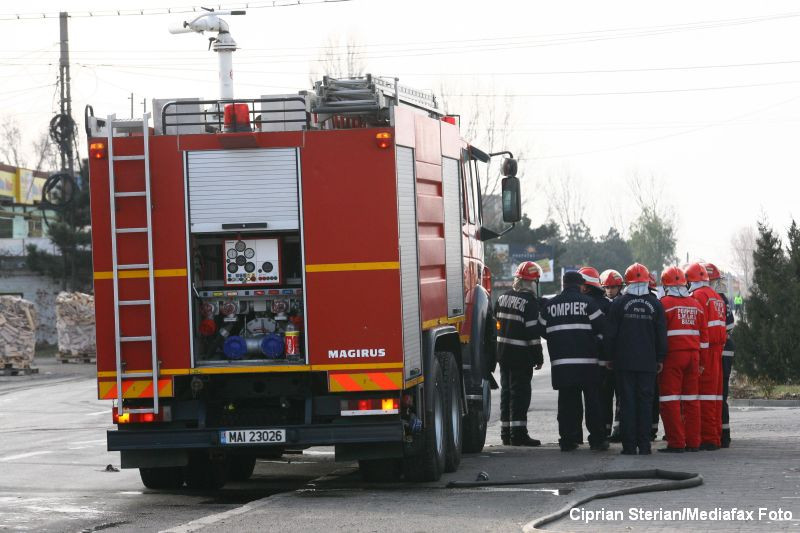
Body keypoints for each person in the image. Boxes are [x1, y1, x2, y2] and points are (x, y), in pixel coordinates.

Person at [540, 270, 608, 452]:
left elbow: (541, 328)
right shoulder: (589, 303)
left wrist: (557, 339)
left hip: (562, 365)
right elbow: (602, 328)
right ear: (581, 286)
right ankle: (597, 440)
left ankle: (568, 440)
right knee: (593, 403)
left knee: (567, 404)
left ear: (563, 284)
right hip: (587, 363)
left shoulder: (550, 305)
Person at [605, 263, 668, 455]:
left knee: (627, 403)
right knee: (645, 403)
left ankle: (629, 446)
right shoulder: (656, 304)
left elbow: (610, 334)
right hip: (648, 363)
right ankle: (645, 445)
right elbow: (661, 335)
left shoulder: (619, 303)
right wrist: (660, 358)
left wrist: (609, 357)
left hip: (624, 362)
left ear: (627, 281)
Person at [657, 266, 707, 453]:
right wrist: (701, 363)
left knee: (670, 400)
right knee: (691, 401)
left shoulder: (664, 304)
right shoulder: (696, 305)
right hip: (693, 357)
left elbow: (660, 334)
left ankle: (676, 443)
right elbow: (704, 338)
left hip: (673, 357)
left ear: (665, 284)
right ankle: (694, 442)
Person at [496, 261, 544, 446]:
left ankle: (506, 433)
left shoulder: (502, 298)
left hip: (503, 355)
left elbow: (496, 326)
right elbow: (533, 335)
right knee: (520, 395)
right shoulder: (530, 303)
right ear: (532, 282)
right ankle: (519, 434)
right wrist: (538, 358)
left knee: (506, 393)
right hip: (520, 356)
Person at [685, 262, 727, 451]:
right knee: (716, 396)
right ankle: (715, 435)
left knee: (705, 395)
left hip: (707, 350)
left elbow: (698, 326)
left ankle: (708, 438)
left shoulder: (698, 296)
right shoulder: (716, 297)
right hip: (717, 350)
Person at [705, 263, 736, 448]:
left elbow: (727, 327)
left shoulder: (714, 299)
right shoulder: (720, 300)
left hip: (719, 351)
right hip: (724, 349)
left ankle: (722, 434)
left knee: (718, 394)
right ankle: (723, 433)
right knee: (719, 395)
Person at [580, 267, 611, 440]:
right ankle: (603, 432)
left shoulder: (583, 304)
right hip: (604, 361)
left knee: (589, 400)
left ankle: (585, 435)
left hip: (585, 360)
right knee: (603, 399)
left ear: (585, 287)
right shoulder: (607, 304)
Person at [600, 269, 625, 442]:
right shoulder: (599, 304)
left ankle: (618, 429)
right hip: (604, 357)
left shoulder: (624, 303)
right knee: (604, 395)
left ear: (619, 287)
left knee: (621, 396)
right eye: (607, 287)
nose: (610, 290)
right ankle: (605, 429)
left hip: (620, 357)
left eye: (613, 287)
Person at [648, 272, 661, 441]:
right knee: (652, 396)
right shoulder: (657, 304)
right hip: (652, 359)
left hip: (629, 360)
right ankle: (650, 430)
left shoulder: (621, 303)